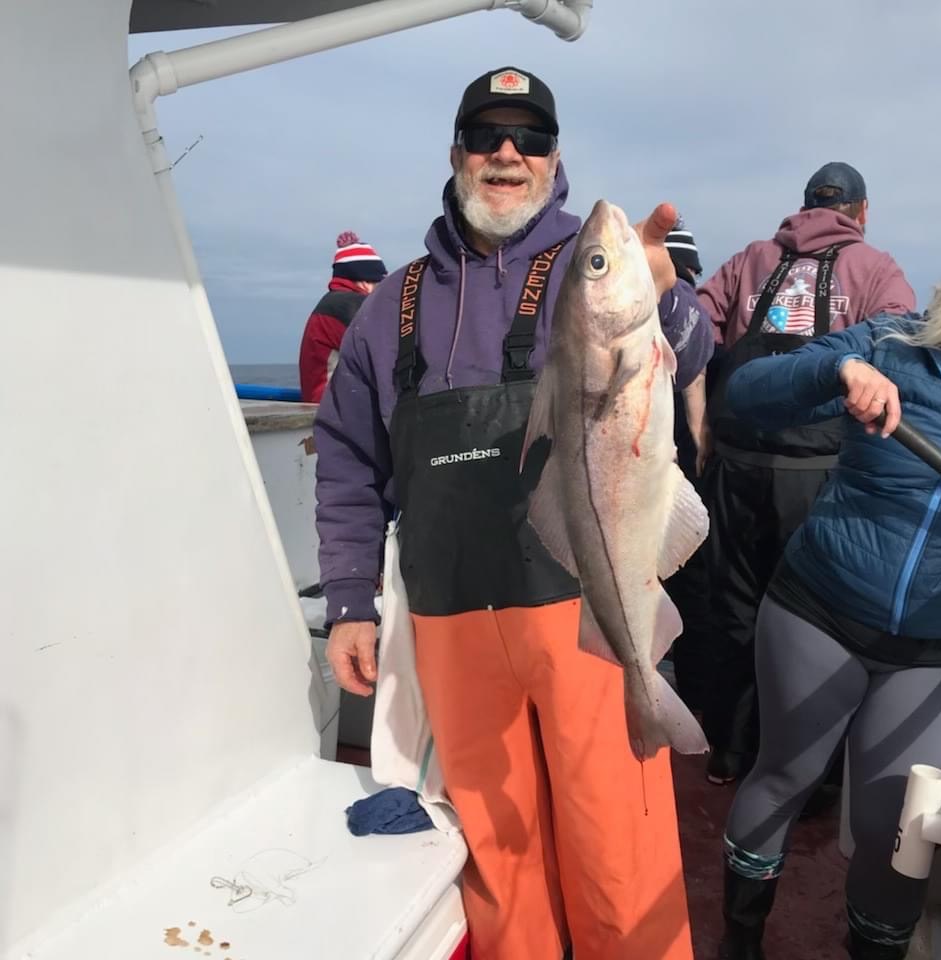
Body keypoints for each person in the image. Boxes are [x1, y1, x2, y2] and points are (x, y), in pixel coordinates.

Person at [313, 66, 715, 960]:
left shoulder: (592, 268)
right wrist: (348, 601)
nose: (507, 153)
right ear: (457, 152)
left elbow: (690, 355)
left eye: (529, 137)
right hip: (451, 614)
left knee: (617, 847)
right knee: (497, 854)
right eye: (486, 136)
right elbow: (345, 458)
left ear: (554, 157)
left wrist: (667, 300)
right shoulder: (389, 307)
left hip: (581, 606)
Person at [714, 258, 941, 960]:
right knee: (785, 775)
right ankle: (740, 941)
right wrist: (835, 372)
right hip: (820, 610)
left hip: (933, 650)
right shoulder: (892, 344)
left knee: (896, 829)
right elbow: (746, 394)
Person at [695, 162, 917, 784]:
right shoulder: (876, 268)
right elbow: (899, 349)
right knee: (810, 622)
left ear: (804, 207)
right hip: (820, 477)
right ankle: (801, 771)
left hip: (734, 471)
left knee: (732, 609)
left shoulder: (751, 258)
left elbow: (695, 332)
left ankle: (729, 750)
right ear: (862, 212)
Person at [663, 218, 712, 710]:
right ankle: (693, 698)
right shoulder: (691, 307)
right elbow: (695, 380)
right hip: (678, 472)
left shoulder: (645, 302)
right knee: (690, 589)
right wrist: (700, 442)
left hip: (641, 468)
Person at [298, 231, 387, 403]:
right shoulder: (351, 306)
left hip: (322, 402)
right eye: (379, 283)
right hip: (333, 407)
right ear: (365, 282)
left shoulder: (334, 303)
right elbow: (385, 351)